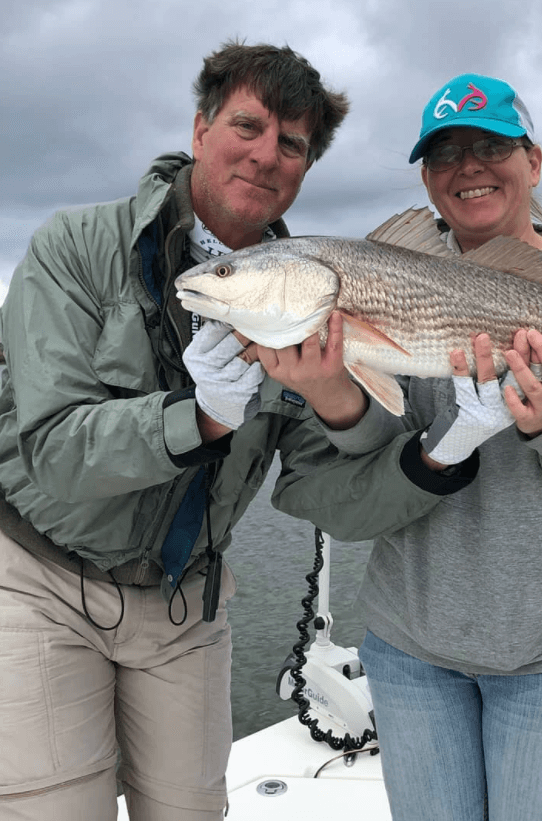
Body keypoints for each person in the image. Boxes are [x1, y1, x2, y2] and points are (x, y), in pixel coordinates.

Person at [0, 40, 402, 821]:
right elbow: (52, 451)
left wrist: (351, 411)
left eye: (291, 143)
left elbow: (339, 502)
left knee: (191, 810)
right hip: (37, 577)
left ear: (306, 166)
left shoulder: (311, 292)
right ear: (199, 128)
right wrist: (203, 416)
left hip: (186, 600)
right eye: (246, 126)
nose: (265, 155)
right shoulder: (73, 247)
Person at [271, 74, 542, 820]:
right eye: (444, 154)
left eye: (489, 145)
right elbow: (379, 466)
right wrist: (338, 393)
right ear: (426, 179)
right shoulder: (382, 275)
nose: (467, 167)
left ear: (533, 159)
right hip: (409, 651)